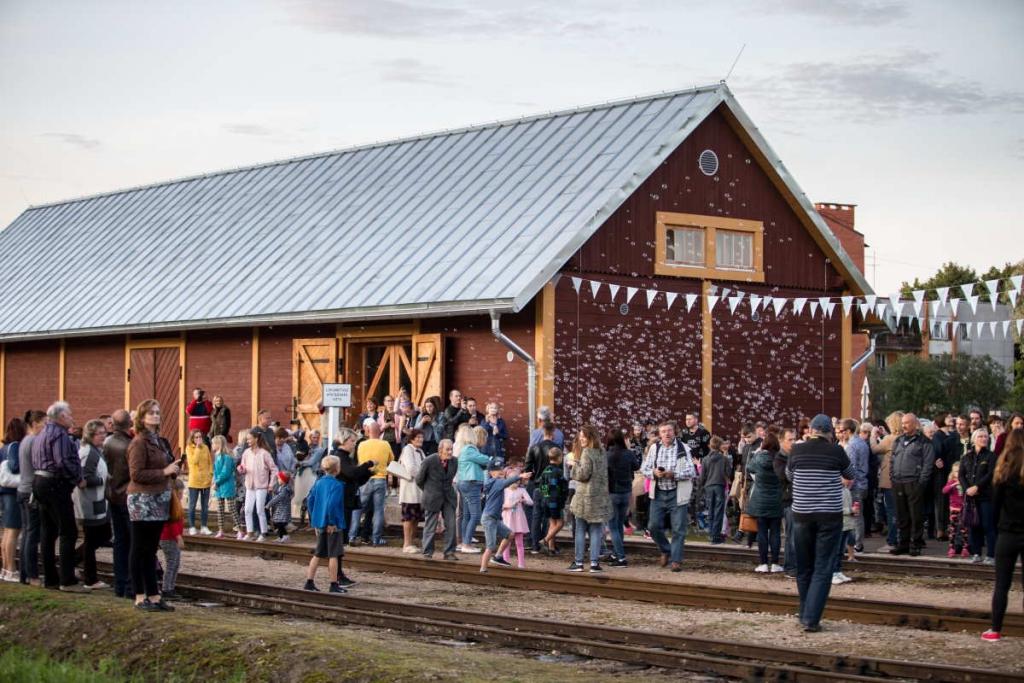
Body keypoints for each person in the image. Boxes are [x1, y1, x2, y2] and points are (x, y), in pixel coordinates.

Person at [787, 413, 854, 633]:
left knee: (804, 567)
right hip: (829, 516)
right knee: (823, 567)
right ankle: (811, 619)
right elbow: (850, 473)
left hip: (802, 514)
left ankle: (804, 612)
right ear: (829, 433)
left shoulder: (796, 450)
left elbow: (789, 474)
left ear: (812, 430)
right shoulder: (837, 451)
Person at [127, 399, 178, 611]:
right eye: (151, 413)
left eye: (157, 412)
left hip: (159, 499)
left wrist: (172, 470)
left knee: (150, 550)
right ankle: (139, 596)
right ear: (142, 417)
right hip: (142, 500)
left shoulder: (159, 441)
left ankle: (154, 595)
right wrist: (164, 472)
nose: (155, 416)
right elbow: (136, 474)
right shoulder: (139, 442)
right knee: (139, 548)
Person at [32, 401, 88, 592]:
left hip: (40, 481)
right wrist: (78, 478)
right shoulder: (60, 435)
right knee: (68, 532)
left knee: (48, 532)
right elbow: (62, 461)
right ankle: (67, 580)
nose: (72, 418)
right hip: (55, 484)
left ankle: (50, 578)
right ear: (62, 417)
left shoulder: (42, 433)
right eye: (70, 414)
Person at [982, 428, 1024, 641]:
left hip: (1007, 533)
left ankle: (995, 629)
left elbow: (995, 505)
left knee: (1002, 584)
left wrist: (997, 525)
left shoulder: (1002, 470)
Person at [640, 422, 695, 572]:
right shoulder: (654, 448)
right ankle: (666, 549)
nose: (667, 433)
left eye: (669, 430)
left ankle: (676, 560)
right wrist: (654, 473)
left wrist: (673, 474)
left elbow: (691, 471)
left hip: (677, 493)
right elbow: (644, 468)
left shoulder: (683, 448)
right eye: (663, 431)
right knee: (653, 526)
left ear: (674, 432)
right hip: (658, 492)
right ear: (660, 434)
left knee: (678, 528)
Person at [73, 419, 111, 589]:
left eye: (104, 433)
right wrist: (104, 479)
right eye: (99, 434)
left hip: (97, 499)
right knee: (93, 537)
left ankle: (73, 562)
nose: (103, 436)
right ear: (90, 435)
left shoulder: (96, 451)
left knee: (100, 535)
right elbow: (84, 479)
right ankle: (90, 577)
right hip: (90, 501)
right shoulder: (89, 453)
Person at [889, 413, 935, 556]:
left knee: (916, 515)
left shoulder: (924, 441)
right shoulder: (898, 440)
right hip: (898, 481)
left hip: (914, 482)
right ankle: (903, 543)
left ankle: (915, 544)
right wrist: (892, 476)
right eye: (903, 423)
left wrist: (921, 483)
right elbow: (892, 459)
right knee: (901, 515)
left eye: (907, 423)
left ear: (915, 424)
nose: (904, 425)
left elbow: (928, 464)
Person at [568, 425, 611, 573]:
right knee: (596, 530)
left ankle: (579, 563)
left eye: (583, 436)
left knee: (580, 529)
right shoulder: (602, 452)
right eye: (580, 436)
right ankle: (594, 563)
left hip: (585, 497)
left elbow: (583, 475)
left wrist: (574, 465)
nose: (581, 439)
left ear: (590, 437)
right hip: (599, 497)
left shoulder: (586, 452)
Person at [304, 455, 348, 593]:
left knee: (317, 554)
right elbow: (332, 505)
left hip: (320, 523)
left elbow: (310, 500)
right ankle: (334, 584)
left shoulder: (318, 482)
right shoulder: (337, 485)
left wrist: (315, 519)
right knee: (334, 554)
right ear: (337, 469)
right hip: (332, 524)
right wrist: (331, 522)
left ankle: (309, 582)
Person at [479, 466, 531, 572]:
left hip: (494, 518)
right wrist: (520, 476)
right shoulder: (497, 482)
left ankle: (498, 556)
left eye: (501, 471)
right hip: (489, 518)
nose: (500, 472)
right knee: (490, 546)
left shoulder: (495, 483)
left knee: (509, 534)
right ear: (492, 473)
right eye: (498, 472)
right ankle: (483, 569)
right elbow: (508, 482)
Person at [746, 432, 784, 573]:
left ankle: (763, 563)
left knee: (762, 532)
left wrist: (757, 452)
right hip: (776, 501)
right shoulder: (780, 458)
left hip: (760, 500)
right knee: (775, 533)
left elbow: (749, 468)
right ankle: (775, 563)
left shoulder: (759, 457)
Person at [352, 420, 393, 546]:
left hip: (365, 479)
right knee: (378, 510)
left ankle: (352, 536)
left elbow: (359, 460)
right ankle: (376, 539)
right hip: (380, 479)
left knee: (358, 508)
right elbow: (391, 459)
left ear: (368, 431)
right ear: (380, 431)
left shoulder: (361, 445)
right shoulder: (385, 444)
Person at [17, 410, 46, 586]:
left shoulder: (25, 440)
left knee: (27, 533)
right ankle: (32, 574)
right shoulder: (34, 441)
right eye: (45, 424)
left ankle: (24, 574)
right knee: (32, 535)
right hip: (30, 492)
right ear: (35, 424)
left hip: (23, 490)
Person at [417, 438, 459, 560]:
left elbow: (450, 478)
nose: (450, 452)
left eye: (451, 449)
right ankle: (427, 551)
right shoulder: (429, 461)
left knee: (451, 524)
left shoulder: (454, 461)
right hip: (432, 497)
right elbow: (419, 480)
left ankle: (449, 552)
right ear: (440, 450)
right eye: (447, 449)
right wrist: (429, 490)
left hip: (448, 497)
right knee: (430, 525)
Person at [961, 428, 996, 564]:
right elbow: (961, 475)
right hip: (971, 497)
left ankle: (991, 555)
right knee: (973, 525)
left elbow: (991, 474)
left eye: (985, 436)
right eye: (980, 436)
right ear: (974, 439)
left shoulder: (991, 456)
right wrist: (967, 489)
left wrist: (977, 487)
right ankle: (976, 553)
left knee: (988, 525)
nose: (984, 439)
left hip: (986, 496)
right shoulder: (966, 457)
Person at [455, 424, 491, 553]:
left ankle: (464, 541)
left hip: (464, 482)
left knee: (467, 515)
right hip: (471, 483)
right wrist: (492, 459)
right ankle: (466, 544)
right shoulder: (470, 449)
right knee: (476, 515)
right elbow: (484, 460)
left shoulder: (463, 449)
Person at [606, 428, 638, 567]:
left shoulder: (606, 455)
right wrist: (629, 450)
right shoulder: (628, 454)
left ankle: (621, 558)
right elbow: (636, 466)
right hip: (626, 492)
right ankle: (616, 553)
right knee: (619, 524)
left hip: (612, 493)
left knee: (613, 526)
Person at [525, 420, 558, 553]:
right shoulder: (556, 448)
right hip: (551, 486)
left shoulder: (534, 447)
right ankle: (546, 541)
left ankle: (534, 545)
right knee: (548, 516)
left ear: (542, 431)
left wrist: (535, 478)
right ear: (553, 432)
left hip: (537, 485)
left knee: (536, 515)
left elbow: (528, 469)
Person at [238, 430, 278, 542]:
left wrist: (271, 484)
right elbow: (243, 466)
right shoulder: (246, 453)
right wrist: (241, 469)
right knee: (247, 510)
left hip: (262, 486)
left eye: (249, 439)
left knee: (260, 510)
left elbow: (274, 469)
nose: (248, 441)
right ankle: (250, 532)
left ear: (256, 439)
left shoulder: (264, 453)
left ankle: (263, 533)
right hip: (250, 485)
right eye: (247, 439)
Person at [1, 418, 27, 582]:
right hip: (12, 492)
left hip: (4, 492)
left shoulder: (4, 447)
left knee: (6, 532)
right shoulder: (15, 446)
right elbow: (14, 466)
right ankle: (11, 569)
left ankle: (5, 568)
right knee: (13, 531)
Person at [871, 412, 901, 552]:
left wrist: (873, 436)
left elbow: (875, 449)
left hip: (889, 480)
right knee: (900, 510)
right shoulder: (901, 438)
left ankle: (891, 541)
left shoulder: (890, 439)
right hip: (901, 480)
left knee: (891, 511)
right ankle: (900, 539)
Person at [839, 419, 869, 552]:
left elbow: (851, 468)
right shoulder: (862, 442)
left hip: (855, 485)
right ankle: (858, 543)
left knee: (853, 517)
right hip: (863, 483)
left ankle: (855, 544)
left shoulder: (851, 445)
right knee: (858, 515)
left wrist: (847, 487)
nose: (840, 434)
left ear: (848, 431)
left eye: (842, 431)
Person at [397, 429, 426, 553]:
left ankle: (411, 542)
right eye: (418, 437)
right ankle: (407, 544)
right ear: (411, 439)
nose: (420, 439)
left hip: (418, 490)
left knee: (416, 518)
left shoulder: (420, 451)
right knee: (408, 518)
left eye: (421, 437)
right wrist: (424, 475)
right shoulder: (408, 450)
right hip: (410, 490)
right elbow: (411, 468)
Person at [537, 448, 569, 554]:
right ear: (560, 458)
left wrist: (545, 497)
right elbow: (564, 488)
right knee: (560, 523)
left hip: (545, 500)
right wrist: (564, 500)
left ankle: (551, 548)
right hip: (555, 501)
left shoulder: (545, 470)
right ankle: (545, 540)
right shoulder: (559, 472)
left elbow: (541, 486)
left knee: (552, 523)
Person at [183, 429, 213, 536]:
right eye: (196, 437)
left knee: (205, 506)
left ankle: (204, 526)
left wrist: (210, 475)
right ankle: (192, 527)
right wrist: (197, 448)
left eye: (200, 437)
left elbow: (209, 462)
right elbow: (193, 461)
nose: (199, 439)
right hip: (194, 481)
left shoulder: (206, 447)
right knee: (192, 505)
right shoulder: (189, 448)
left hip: (206, 481)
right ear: (192, 439)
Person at [701, 436, 730, 545]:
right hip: (719, 486)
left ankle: (711, 534)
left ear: (711, 445)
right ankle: (716, 536)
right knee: (719, 511)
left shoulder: (705, 459)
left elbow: (702, 476)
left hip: (708, 486)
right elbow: (728, 473)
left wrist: (700, 488)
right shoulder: (724, 459)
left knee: (710, 510)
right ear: (720, 446)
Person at [159, 481, 185, 600]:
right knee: (171, 563)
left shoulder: (175, 503)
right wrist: (178, 536)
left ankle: (171, 587)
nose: (182, 495)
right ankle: (166, 589)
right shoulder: (171, 504)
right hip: (168, 538)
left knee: (175, 563)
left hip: (172, 537)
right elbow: (172, 523)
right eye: (180, 493)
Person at [501, 475, 533, 568]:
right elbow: (500, 505)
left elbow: (531, 502)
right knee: (507, 541)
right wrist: (509, 506)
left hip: (518, 518)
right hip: (507, 517)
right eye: (514, 481)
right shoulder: (504, 491)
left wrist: (523, 500)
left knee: (519, 542)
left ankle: (521, 563)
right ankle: (505, 560)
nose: (516, 483)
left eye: (518, 481)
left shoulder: (522, 490)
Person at [210, 436, 238, 539]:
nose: (212, 445)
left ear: (218, 444)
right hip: (219, 487)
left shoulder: (226, 457)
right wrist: (214, 481)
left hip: (227, 486)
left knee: (231, 508)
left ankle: (240, 529)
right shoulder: (217, 457)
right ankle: (221, 530)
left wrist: (216, 482)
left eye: (213, 443)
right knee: (220, 510)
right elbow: (215, 472)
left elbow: (225, 473)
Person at [831, 479, 856, 585]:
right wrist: (850, 510)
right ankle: (833, 573)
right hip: (839, 524)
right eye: (847, 479)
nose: (850, 481)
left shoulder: (846, 490)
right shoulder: (835, 490)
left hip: (846, 524)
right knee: (835, 551)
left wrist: (852, 511)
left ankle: (838, 571)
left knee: (840, 551)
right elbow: (835, 508)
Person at [943, 462, 968, 558]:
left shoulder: (965, 481)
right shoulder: (951, 482)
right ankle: (952, 548)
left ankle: (965, 548)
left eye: (959, 471)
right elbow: (944, 490)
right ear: (952, 473)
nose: (957, 473)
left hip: (964, 509)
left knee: (964, 530)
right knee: (953, 529)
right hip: (954, 509)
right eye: (955, 472)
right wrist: (953, 484)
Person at [267, 472, 294, 543]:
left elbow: (278, 498)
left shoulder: (285, 489)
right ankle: (281, 536)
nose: (278, 480)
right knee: (277, 522)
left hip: (283, 509)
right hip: (280, 509)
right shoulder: (281, 487)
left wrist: (269, 504)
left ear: (283, 480)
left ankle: (285, 536)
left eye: (279, 478)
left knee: (280, 523)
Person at [480, 402, 508, 468]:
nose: (493, 409)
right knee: (486, 471)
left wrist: (498, 433)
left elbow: (505, 435)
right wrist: (487, 422)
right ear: (488, 409)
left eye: (495, 408)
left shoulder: (501, 421)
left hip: (498, 452)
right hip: (486, 452)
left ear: (497, 410)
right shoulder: (484, 420)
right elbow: (482, 432)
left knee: (499, 471)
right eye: (491, 408)